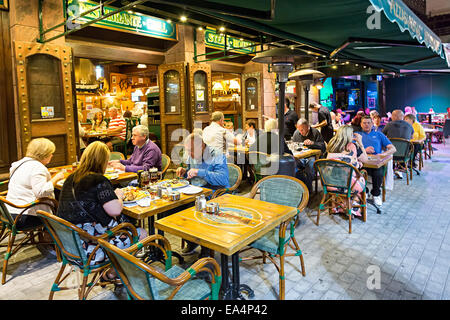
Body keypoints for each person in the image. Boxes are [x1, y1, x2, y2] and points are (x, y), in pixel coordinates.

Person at [56, 141, 147, 278]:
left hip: (69, 246)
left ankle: (113, 271)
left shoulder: (71, 178)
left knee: (124, 228)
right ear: (103, 161)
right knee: (140, 233)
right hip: (90, 250)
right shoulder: (98, 180)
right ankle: (112, 273)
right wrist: (119, 196)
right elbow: (115, 210)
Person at [175, 133, 229, 257]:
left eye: (192, 151)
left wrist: (200, 172)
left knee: (198, 210)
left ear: (202, 146)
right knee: (172, 210)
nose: (189, 154)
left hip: (214, 195)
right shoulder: (191, 156)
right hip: (194, 193)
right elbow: (190, 174)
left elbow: (223, 180)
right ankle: (192, 240)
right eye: (188, 150)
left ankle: (206, 253)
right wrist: (184, 172)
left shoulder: (217, 155)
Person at [5, 138, 65, 229]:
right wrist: (56, 179)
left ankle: (46, 236)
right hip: (24, 217)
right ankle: (55, 237)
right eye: (50, 153)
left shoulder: (20, 164)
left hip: (8, 213)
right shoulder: (37, 168)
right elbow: (41, 193)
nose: (52, 155)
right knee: (61, 207)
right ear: (44, 155)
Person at [326, 125, 368, 216]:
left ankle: (339, 206)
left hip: (330, 184)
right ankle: (351, 207)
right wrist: (360, 143)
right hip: (349, 185)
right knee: (358, 183)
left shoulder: (331, 145)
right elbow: (365, 159)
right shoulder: (352, 146)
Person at [356, 116, 396, 206]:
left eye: (368, 123)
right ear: (361, 124)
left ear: (372, 124)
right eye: (364, 123)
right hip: (361, 162)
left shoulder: (379, 134)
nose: (366, 125)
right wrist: (364, 150)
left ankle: (376, 194)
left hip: (375, 163)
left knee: (378, 173)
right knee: (355, 172)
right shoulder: (357, 134)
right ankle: (364, 191)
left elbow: (393, 149)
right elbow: (352, 149)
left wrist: (382, 155)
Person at [291, 118, 325, 192]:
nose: (300, 132)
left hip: (312, 157)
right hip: (300, 157)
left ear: (307, 127)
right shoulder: (296, 133)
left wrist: (313, 143)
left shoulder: (315, 132)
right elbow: (293, 145)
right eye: (299, 129)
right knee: (292, 166)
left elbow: (323, 147)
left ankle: (308, 191)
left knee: (310, 168)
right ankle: (300, 189)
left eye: (302, 130)